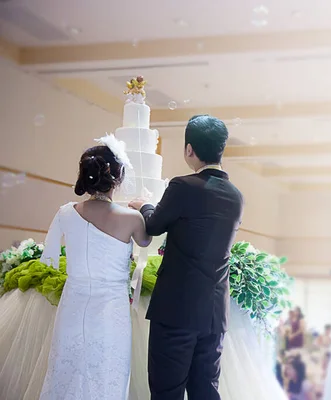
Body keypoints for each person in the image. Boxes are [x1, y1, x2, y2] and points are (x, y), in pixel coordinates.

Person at [128, 115, 243, 400]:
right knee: (206, 390)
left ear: (189, 149)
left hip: (177, 311)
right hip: (214, 313)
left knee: (167, 391)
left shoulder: (183, 186)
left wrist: (145, 206)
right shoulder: (236, 196)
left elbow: (153, 226)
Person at [39, 139, 151, 399]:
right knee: (105, 377)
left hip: (72, 308)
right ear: (117, 176)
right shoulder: (132, 218)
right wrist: (143, 206)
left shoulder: (65, 213)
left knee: (65, 375)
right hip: (110, 314)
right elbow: (145, 241)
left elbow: (52, 257)